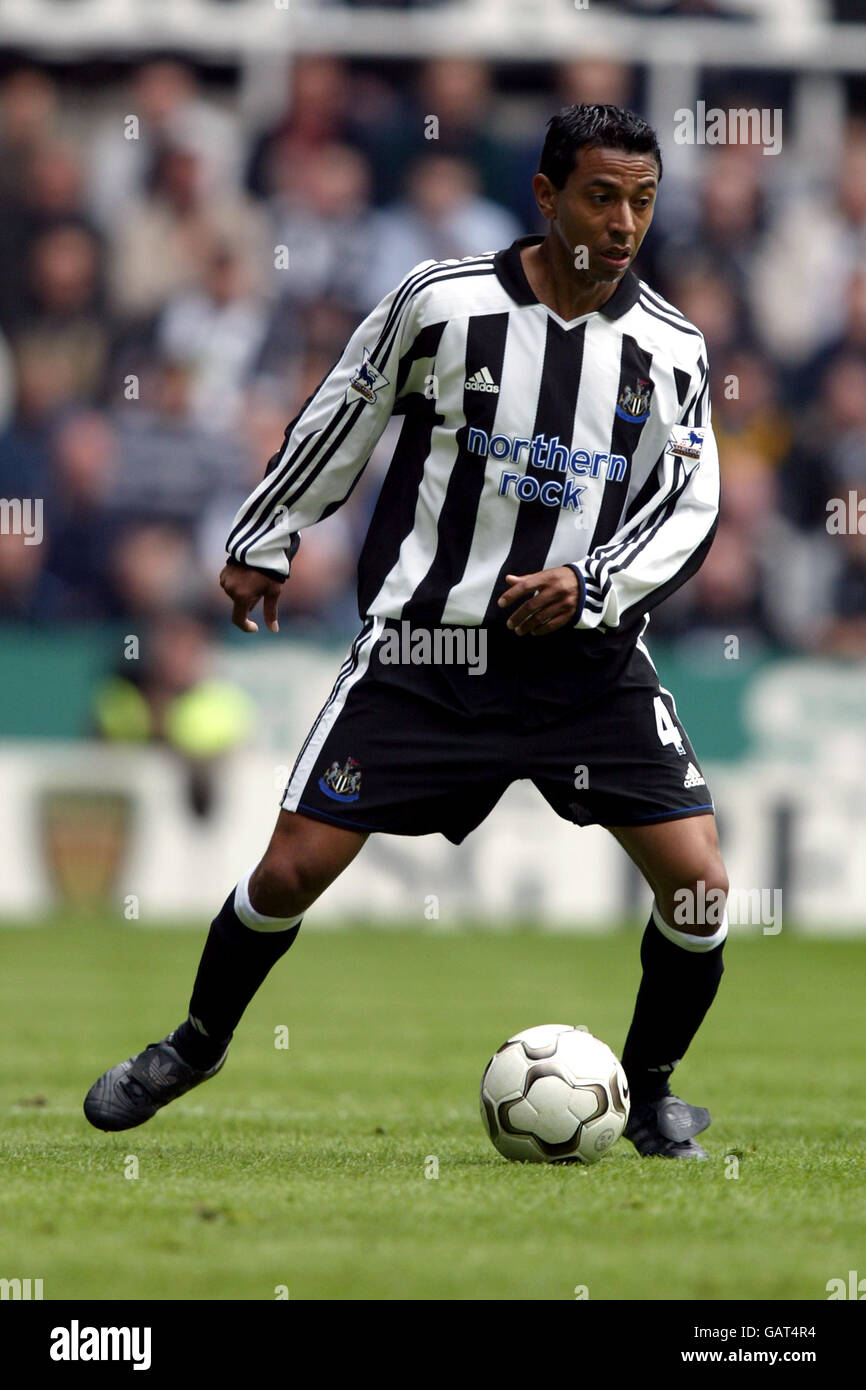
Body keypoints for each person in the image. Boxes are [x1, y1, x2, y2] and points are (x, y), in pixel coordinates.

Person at [84, 105, 728, 1160]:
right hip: (427, 653)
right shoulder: (443, 305)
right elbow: (347, 407)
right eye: (601, 197)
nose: (622, 224)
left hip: (584, 663)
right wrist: (267, 533)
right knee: (288, 871)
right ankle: (195, 1043)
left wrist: (590, 579)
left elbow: (690, 505)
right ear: (545, 195)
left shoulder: (668, 348)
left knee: (699, 884)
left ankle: (651, 1091)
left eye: (641, 203)